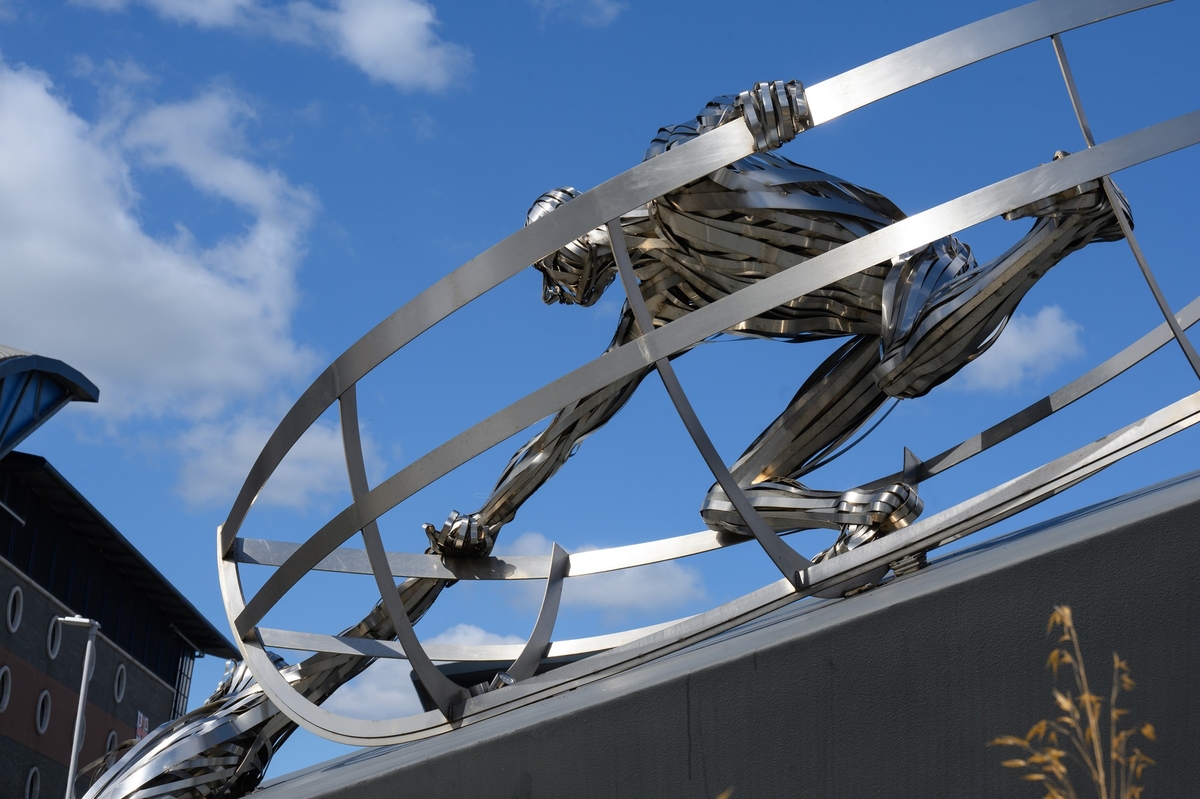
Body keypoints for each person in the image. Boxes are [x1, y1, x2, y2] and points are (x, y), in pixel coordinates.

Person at [424, 83, 1127, 569]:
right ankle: (866, 512)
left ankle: (1064, 228)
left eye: (546, 269)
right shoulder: (665, 304)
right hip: (876, 331)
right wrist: (488, 518)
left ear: (580, 222)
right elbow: (569, 425)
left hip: (918, 270)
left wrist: (757, 109)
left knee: (903, 365)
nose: (552, 295)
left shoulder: (670, 180)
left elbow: (717, 130)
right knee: (732, 502)